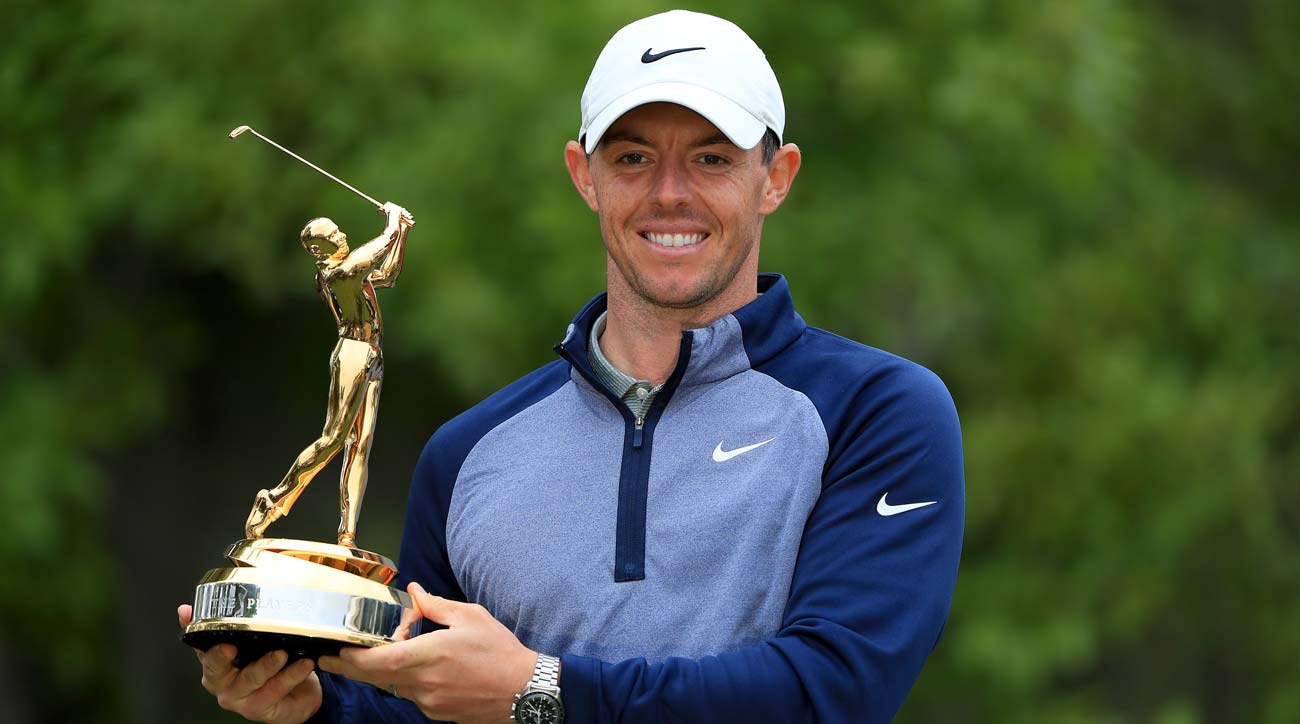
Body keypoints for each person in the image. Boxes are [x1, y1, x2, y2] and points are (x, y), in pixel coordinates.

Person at [179, 10, 964, 724]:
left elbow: (831, 691)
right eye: (632, 157)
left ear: (777, 177)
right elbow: (435, 707)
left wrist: (541, 689)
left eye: (711, 158)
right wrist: (315, 709)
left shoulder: (877, 409)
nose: (669, 194)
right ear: (583, 175)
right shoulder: (468, 452)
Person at [244, 202, 414, 547]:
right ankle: (274, 499)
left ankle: (347, 533)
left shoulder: (347, 270)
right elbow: (369, 256)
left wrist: (403, 234)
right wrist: (392, 225)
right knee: (334, 438)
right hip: (352, 352)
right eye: (333, 235)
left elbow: (388, 275)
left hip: (373, 353)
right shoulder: (337, 273)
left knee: (360, 446)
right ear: (317, 250)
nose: (343, 235)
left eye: (338, 230)